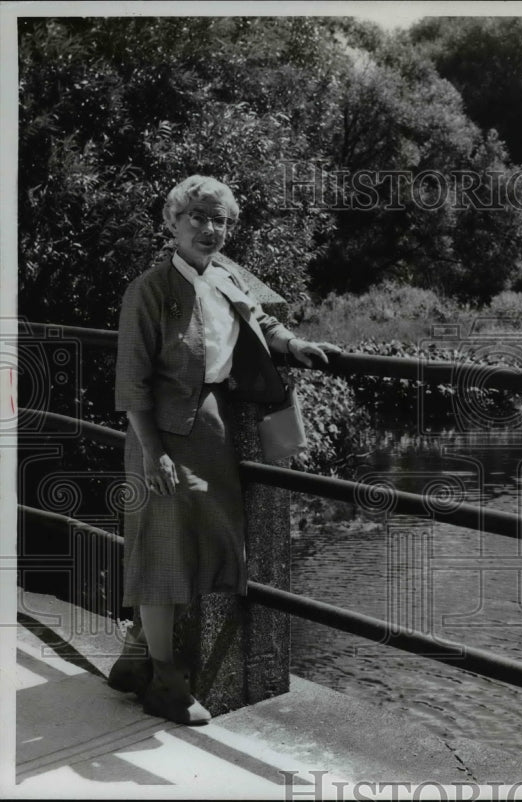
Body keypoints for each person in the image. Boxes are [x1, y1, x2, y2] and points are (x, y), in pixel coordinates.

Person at [110, 175, 338, 725]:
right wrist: (153, 453)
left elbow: (259, 318)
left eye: (221, 221)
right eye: (199, 217)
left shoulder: (229, 276)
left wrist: (294, 344)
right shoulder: (150, 289)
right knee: (163, 551)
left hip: (210, 432)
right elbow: (132, 384)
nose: (211, 230)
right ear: (173, 222)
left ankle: (136, 656)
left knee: (211, 543)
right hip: (159, 437)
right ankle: (165, 682)